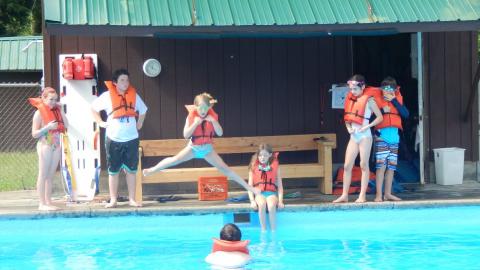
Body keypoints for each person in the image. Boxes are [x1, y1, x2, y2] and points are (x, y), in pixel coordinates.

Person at [143, 92, 260, 195]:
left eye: (206, 108)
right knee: (174, 160)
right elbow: (185, 135)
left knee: (226, 169)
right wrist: (195, 124)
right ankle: (152, 170)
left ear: (209, 107)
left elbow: (219, 133)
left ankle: (249, 188)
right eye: (200, 108)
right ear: (196, 107)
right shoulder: (191, 117)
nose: (203, 111)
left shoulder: (212, 117)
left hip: (208, 150)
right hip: (193, 149)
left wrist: (214, 121)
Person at [91, 68, 147, 208]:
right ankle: (113, 199)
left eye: (127, 80)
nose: (125, 82)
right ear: (115, 82)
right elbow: (93, 108)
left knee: (131, 170)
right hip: (113, 138)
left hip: (131, 138)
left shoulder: (134, 95)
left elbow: (143, 110)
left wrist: (139, 123)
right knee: (113, 170)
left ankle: (132, 199)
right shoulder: (106, 96)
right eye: (122, 80)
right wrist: (100, 122)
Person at [333, 74, 383, 203]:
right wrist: (348, 128)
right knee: (347, 165)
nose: (353, 92)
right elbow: (347, 119)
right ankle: (344, 195)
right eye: (351, 89)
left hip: (365, 136)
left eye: (355, 89)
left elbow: (379, 117)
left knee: (363, 165)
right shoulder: (350, 99)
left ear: (363, 87)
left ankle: (362, 196)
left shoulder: (369, 100)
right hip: (353, 136)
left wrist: (368, 126)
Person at [30, 87, 68, 211]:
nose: (53, 102)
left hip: (55, 145)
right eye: (51, 99)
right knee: (43, 174)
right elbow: (34, 134)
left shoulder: (57, 111)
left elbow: (66, 126)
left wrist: (61, 111)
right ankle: (41, 203)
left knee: (50, 176)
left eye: (55, 100)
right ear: (43, 98)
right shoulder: (39, 113)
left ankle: (48, 202)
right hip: (45, 145)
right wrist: (47, 127)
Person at [373, 77, 409, 202]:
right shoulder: (376, 100)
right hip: (382, 136)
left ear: (394, 90)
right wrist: (383, 110)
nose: (386, 92)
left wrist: (394, 100)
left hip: (395, 138)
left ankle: (387, 194)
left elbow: (405, 114)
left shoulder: (397, 100)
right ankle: (378, 195)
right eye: (384, 89)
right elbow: (370, 118)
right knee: (381, 167)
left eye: (389, 89)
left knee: (391, 167)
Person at [247, 144, 284, 231]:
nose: (262, 157)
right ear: (258, 156)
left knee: (271, 206)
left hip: (271, 194)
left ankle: (273, 230)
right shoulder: (253, 167)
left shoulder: (276, 167)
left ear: (270, 155)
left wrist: (281, 201)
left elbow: (280, 187)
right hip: (259, 194)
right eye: (260, 155)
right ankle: (263, 230)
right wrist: (252, 201)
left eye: (265, 155)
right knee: (262, 204)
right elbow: (249, 187)